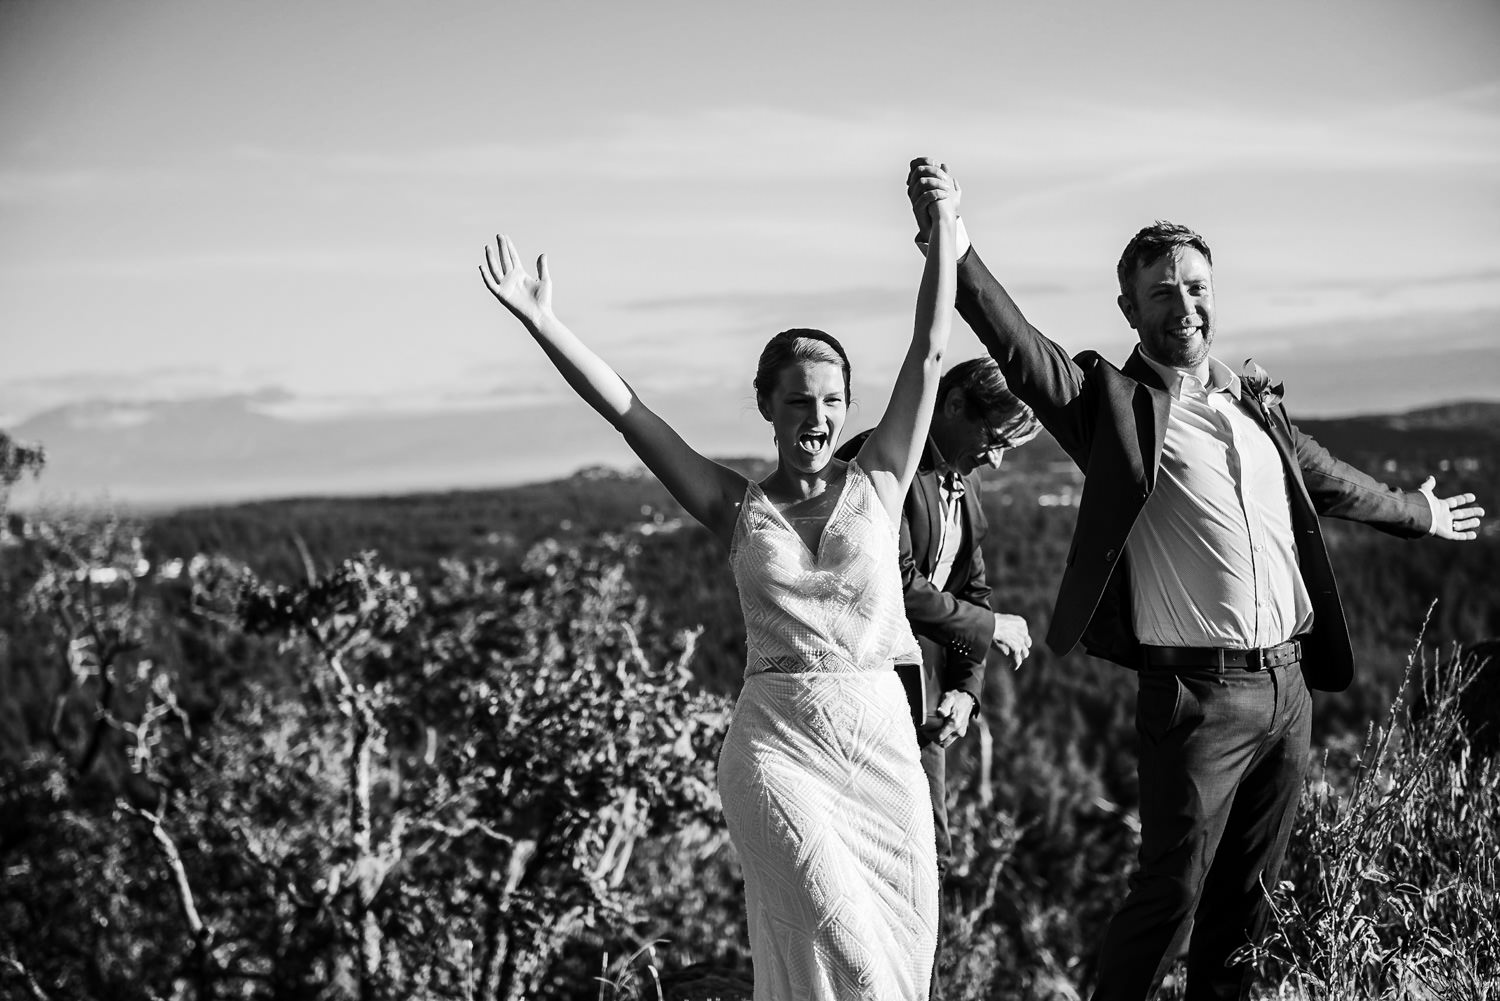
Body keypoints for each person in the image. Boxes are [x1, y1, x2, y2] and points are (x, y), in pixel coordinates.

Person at [904, 158, 1485, 1001]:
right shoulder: (1113, 402)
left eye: (1196, 286)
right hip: (1196, 698)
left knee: (1247, 909)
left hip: (1290, 688)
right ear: (1129, 309)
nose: (1185, 305)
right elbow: (1022, 350)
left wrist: (1416, 511)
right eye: (1163, 291)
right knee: (1170, 896)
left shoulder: (1251, 402)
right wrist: (952, 240)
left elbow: (1321, 475)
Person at [479, 182, 963, 999]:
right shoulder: (735, 506)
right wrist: (543, 322)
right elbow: (632, 415)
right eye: (799, 400)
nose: (818, 415)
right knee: (848, 947)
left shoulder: (880, 479)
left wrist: (944, 231)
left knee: (900, 961)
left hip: (882, 748)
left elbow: (928, 354)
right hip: (776, 749)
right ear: (767, 407)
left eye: (833, 400)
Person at [836, 356, 1039, 998]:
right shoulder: (878, 462)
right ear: (951, 406)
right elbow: (891, 584)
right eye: (994, 440)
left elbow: (969, 589)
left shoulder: (962, 481)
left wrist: (965, 689)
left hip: (924, 705)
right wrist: (990, 628)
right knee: (870, 856)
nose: (997, 460)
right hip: (860, 694)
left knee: (930, 854)